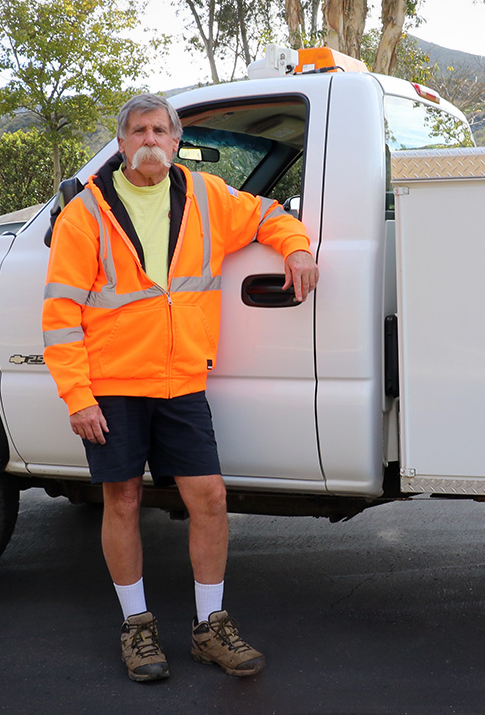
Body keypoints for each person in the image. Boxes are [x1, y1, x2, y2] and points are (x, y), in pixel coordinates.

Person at [42, 93, 318, 682]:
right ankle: (137, 627)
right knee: (123, 501)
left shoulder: (208, 198)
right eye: (138, 131)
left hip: (182, 380)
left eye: (160, 130)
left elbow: (270, 215)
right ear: (121, 145)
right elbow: (61, 314)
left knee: (210, 498)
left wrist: (297, 248)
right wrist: (77, 395)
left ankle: (209, 626)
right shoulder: (85, 214)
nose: (149, 140)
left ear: (175, 141)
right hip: (112, 384)